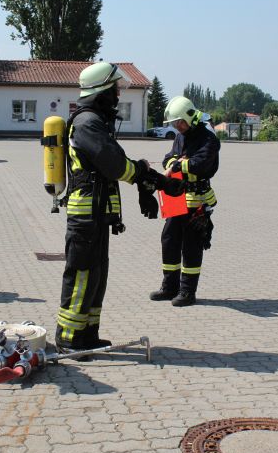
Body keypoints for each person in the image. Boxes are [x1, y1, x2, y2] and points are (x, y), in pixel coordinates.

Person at [55, 61, 184, 356]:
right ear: (101, 90)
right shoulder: (87, 123)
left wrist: (147, 180)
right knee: (82, 275)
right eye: (115, 89)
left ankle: (87, 335)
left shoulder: (96, 122)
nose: (118, 94)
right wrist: (153, 179)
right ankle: (69, 338)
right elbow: (115, 165)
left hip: (97, 214)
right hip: (86, 216)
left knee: (97, 274)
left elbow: (118, 163)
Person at [150, 96, 220, 307]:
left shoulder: (209, 139)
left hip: (197, 199)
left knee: (191, 245)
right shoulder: (180, 137)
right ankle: (169, 287)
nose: (177, 126)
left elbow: (201, 163)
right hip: (177, 197)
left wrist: (180, 165)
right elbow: (168, 158)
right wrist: (174, 162)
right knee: (169, 239)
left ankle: (188, 291)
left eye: (179, 122)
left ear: (190, 117)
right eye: (174, 123)